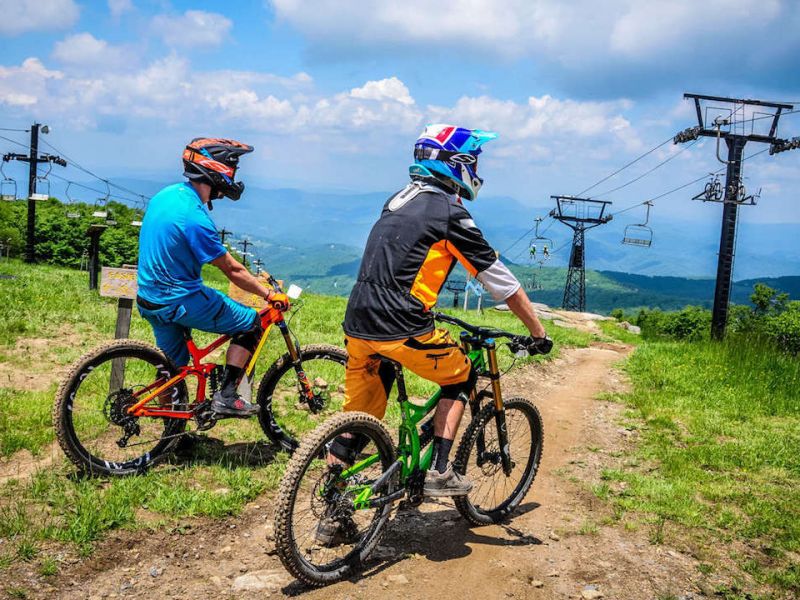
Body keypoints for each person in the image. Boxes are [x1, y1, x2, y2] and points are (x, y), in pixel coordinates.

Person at [335, 123, 552, 498]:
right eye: (475, 162)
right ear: (458, 163)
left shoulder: (396, 199)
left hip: (357, 321)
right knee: (461, 376)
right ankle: (440, 470)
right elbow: (502, 283)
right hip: (402, 323)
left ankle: (332, 500)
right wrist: (538, 333)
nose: (478, 172)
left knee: (358, 418)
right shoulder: (450, 213)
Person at [136, 138, 274, 418]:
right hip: (180, 300)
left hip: (149, 299)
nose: (234, 177)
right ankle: (226, 396)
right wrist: (268, 294)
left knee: (172, 367)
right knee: (250, 324)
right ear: (216, 169)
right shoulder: (194, 217)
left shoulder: (167, 195)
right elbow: (233, 270)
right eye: (232, 168)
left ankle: (170, 432)